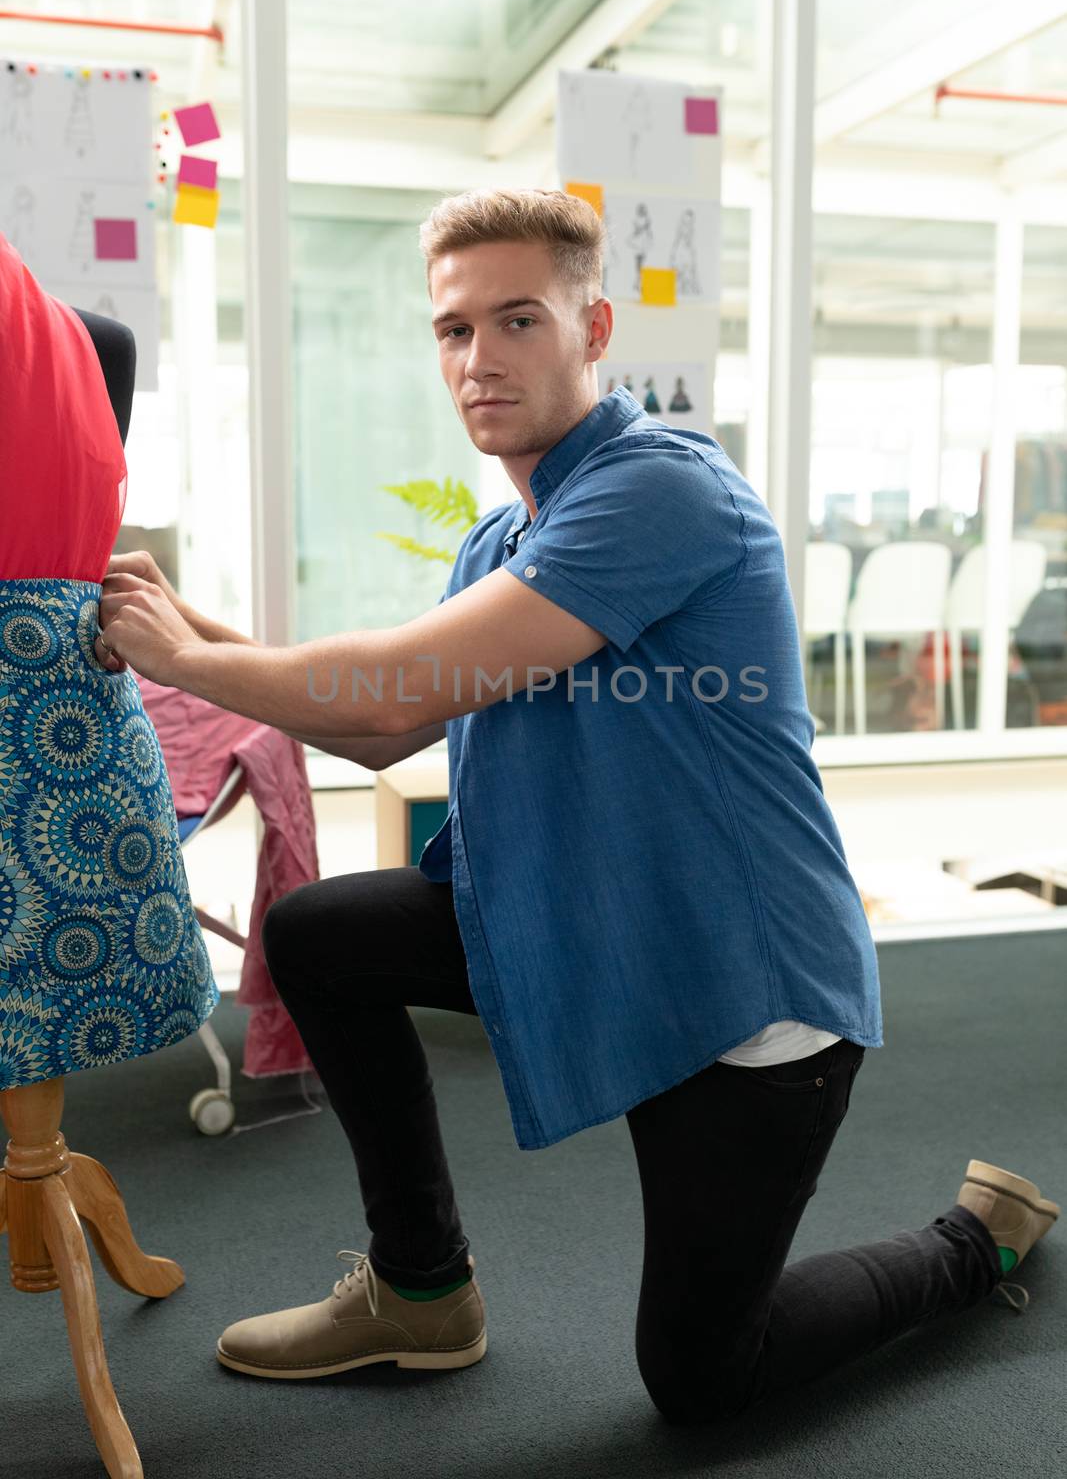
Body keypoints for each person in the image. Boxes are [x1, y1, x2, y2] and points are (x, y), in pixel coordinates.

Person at [96, 189, 1058, 1422]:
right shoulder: (502, 538)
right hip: (601, 931)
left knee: (710, 1377)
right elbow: (387, 736)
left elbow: (392, 696)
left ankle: (976, 1239)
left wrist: (186, 656)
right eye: (453, 331)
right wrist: (201, 638)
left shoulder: (662, 490)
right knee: (318, 936)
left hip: (739, 994)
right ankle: (419, 1289)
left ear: (592, 325)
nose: (479, 359)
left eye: (516, 320)